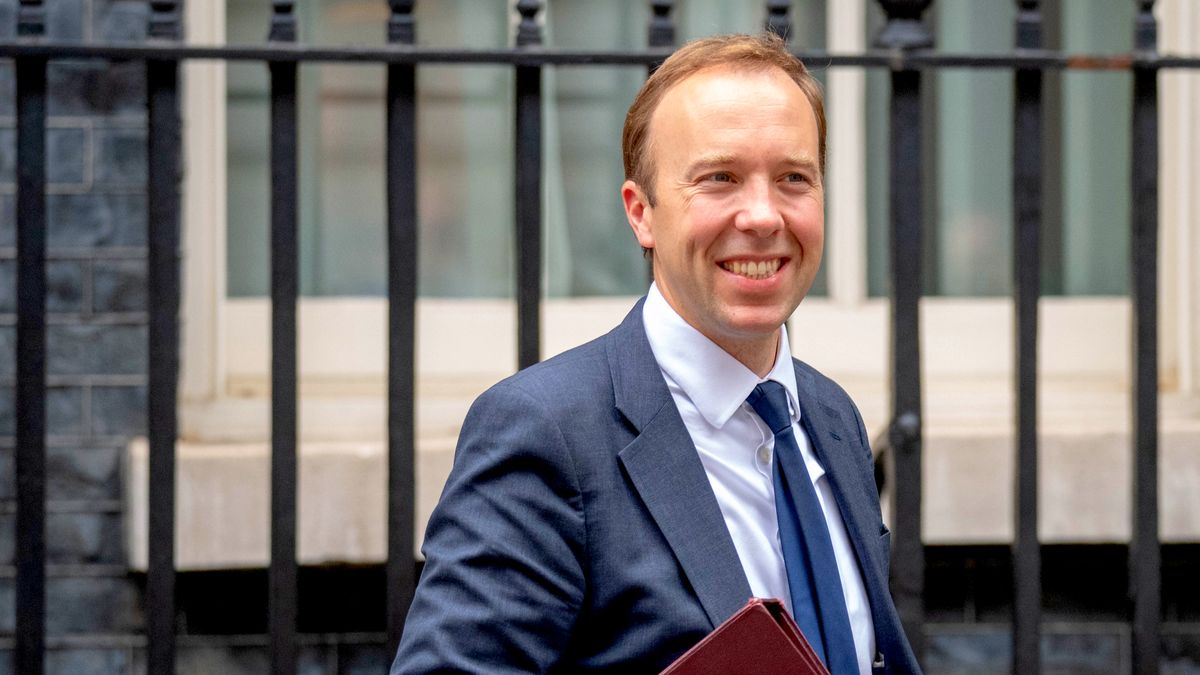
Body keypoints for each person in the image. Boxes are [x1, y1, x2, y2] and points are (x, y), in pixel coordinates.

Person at [392, 33, 921, 674]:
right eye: (719, 178)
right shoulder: (546, 432)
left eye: (793, 179)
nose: (762, 215)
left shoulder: (831, 417)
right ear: (641, 212)